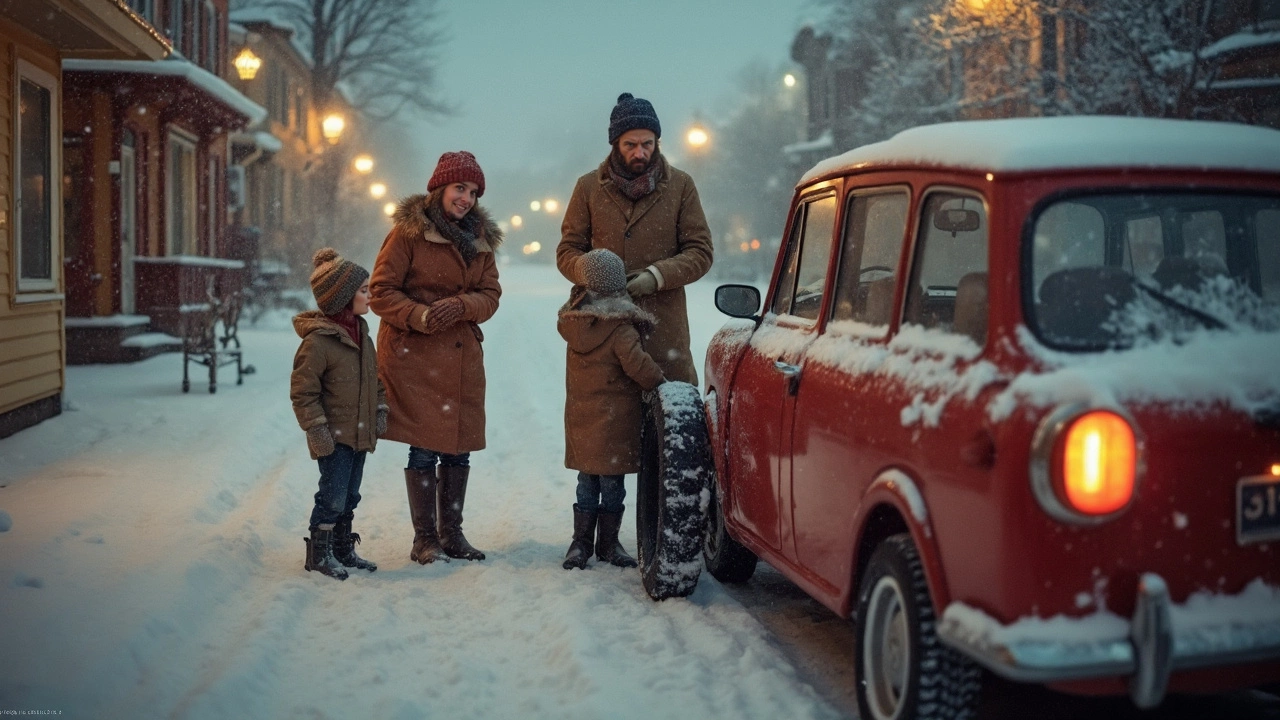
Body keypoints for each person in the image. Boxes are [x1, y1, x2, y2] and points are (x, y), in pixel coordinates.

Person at [370, 151, 502, 564]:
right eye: (459, 188)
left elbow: (491, 294)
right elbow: (381, 291)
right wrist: (421, 315)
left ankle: (453, 534)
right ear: (440, 188)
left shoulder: (480, 240)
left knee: (457, 448)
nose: (466, 198)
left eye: (473, 192)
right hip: (414, 355)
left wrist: (464, 306)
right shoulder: (408, 233)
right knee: (424, 448)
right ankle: (424, 539)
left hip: (460, 358)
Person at [557, 92, 714, 386]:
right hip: (602, 332)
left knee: (670, 426)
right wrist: (590, 270)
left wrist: (656, 276)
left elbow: (701, 251)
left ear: (656, 143)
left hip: (664, 336)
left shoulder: (681, 186)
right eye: (630, 145)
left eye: (647, 144)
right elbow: (567, 250)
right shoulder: (588, 187)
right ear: (615, 144)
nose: (639, 153)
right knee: (606, 429)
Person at [557, 249, 666, 570]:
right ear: (620, 285)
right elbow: (638, 366)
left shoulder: (577, 324)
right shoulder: (620, 327)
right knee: (611, 484)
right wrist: (660, 384)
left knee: (586, 480)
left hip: (581, 418)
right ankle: (608, 543)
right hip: (614, 420)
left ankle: (580, 544)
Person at [291, 248, 386, 581]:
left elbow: (375, 380)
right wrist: (317, 430)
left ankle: (343, 548)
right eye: (363, 290)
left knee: (351, 494)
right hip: (333, 436)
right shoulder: (318, 342)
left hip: (359, 433)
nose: (370, 295)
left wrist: (380, 408)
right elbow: (304, 393)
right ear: (343, 298)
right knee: (331, 496)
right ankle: (319, 554)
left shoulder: (362, 336)